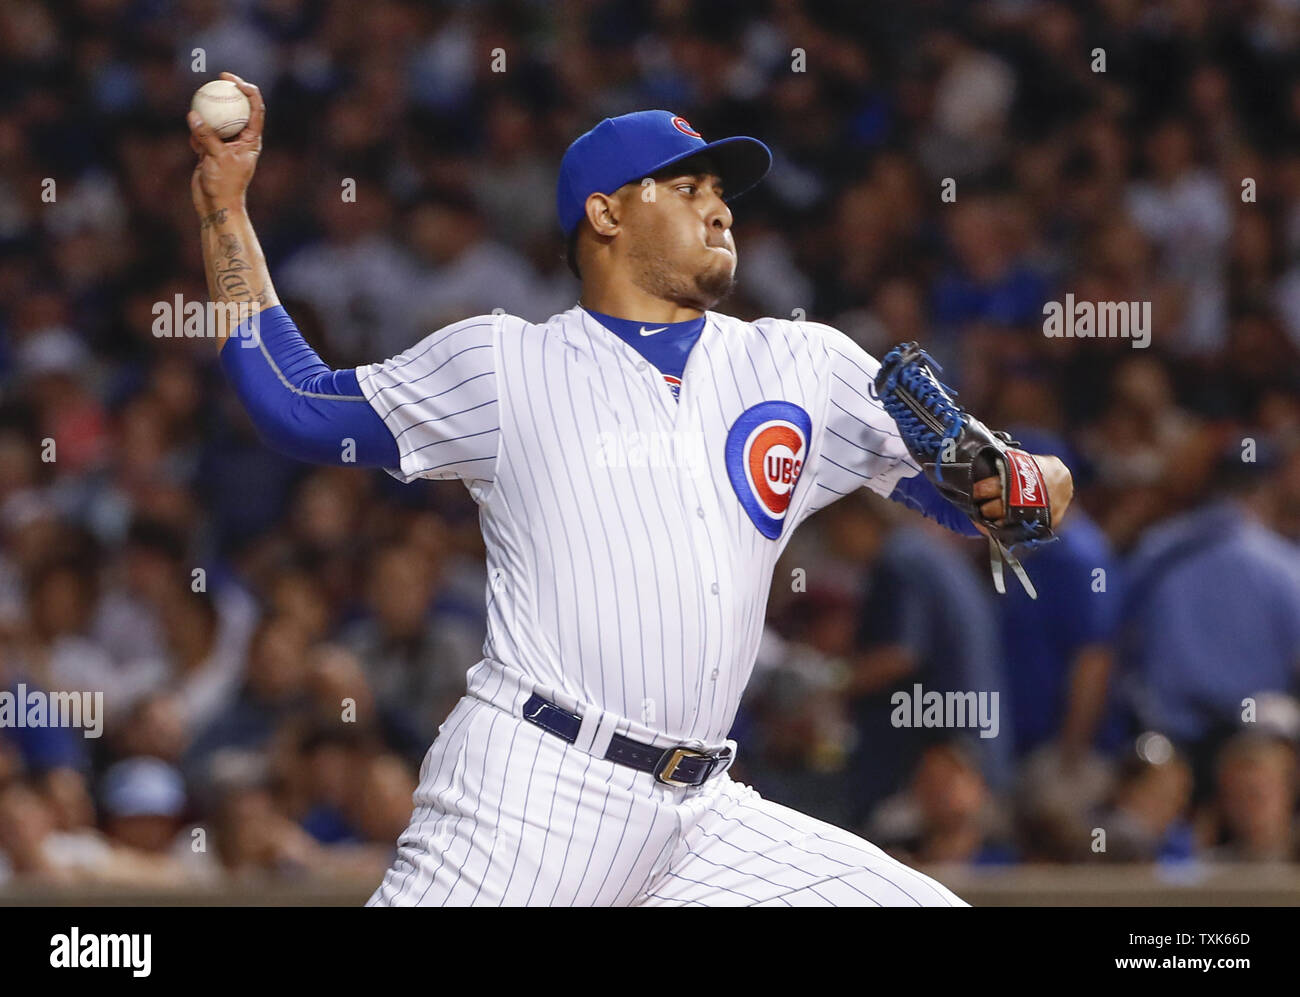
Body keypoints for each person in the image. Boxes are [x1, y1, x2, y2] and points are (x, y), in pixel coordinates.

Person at [186, 74, 1073, 906]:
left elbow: (1014, 494)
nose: (718, 205)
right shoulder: (505, 363)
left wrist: (1013, 486)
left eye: (719, 190)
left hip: (706, 815)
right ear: (604, 214)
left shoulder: (801, 363)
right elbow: (295, 404)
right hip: (533, 791)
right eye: (684, 188)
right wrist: (226, 211)